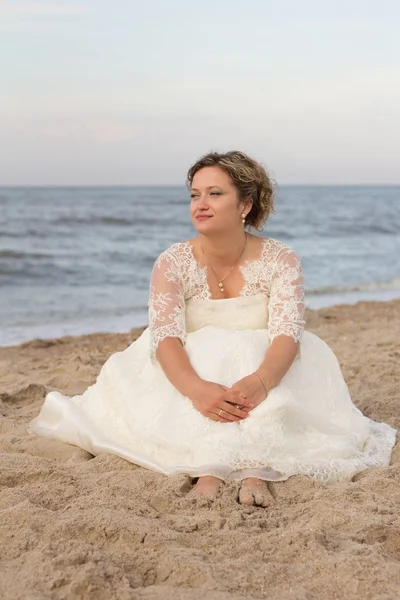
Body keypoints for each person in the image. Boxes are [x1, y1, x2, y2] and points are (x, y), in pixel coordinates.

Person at [27, 151, 397, 508]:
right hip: (188, 369)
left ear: (245, 205)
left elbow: (287, 332)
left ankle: (254, 468)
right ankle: (211, 467)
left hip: (268, 365)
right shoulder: (173, 261)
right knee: (212, 350)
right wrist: (197, 389)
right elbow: (166, 337)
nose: (200, 204)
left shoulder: (280, 259)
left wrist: (262, 381)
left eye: (215, 193)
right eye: (194, 195)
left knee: (245, 349)